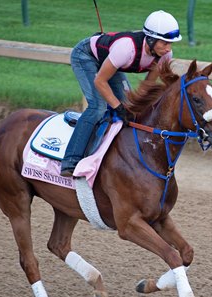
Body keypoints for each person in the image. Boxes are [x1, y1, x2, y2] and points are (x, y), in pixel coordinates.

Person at [60, 10, 182, 177]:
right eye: (164, 43)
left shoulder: (164, 55)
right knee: (98, 107)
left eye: (171, 44)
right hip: (85, 56)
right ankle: (70, 160)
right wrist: (117, 107)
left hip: (110, 63)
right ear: (151, 39)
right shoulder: (126, 49)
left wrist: (133, 108)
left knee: (130, 108)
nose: (168, 48)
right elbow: (100, 81)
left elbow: (147, 86)